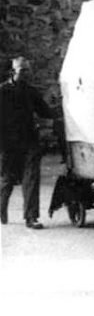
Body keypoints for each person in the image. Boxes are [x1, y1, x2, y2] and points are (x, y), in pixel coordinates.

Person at [0, 57, 53, 229]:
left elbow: (44, 111)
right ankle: (1, 208)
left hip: (29, 141)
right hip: (7, 143)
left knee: (31, 178)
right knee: (7, 179)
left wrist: (59, 111)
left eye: (28, 70)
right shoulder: (2, 91)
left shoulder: (31, 92)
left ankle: (31, 217)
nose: (26, 73)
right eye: (22, 70)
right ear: (13, 71)